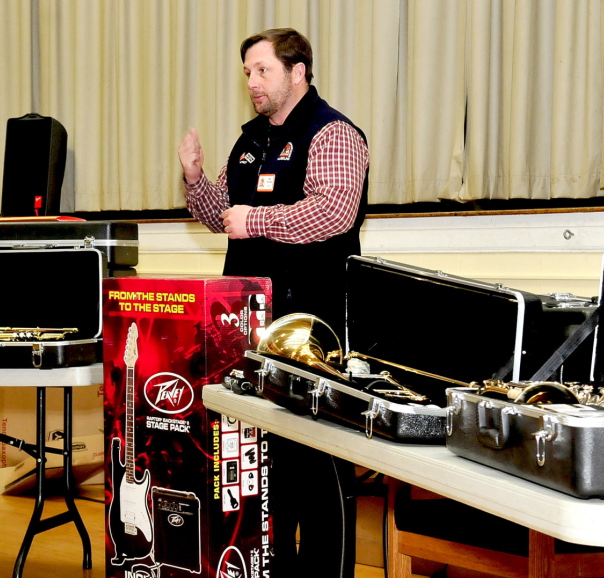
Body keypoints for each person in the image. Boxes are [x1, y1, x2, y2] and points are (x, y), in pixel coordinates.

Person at [178, 28, 369, 578]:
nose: (253, 82)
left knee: (317, 464)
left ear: (297, 71)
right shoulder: (249, 141)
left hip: (313, 327)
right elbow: (222, 217)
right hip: (249, 324)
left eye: (262, 70)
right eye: (247, 73)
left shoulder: (333, 134)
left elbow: (332, 213)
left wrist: (254, 219)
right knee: (267, 468)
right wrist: (195, 179)